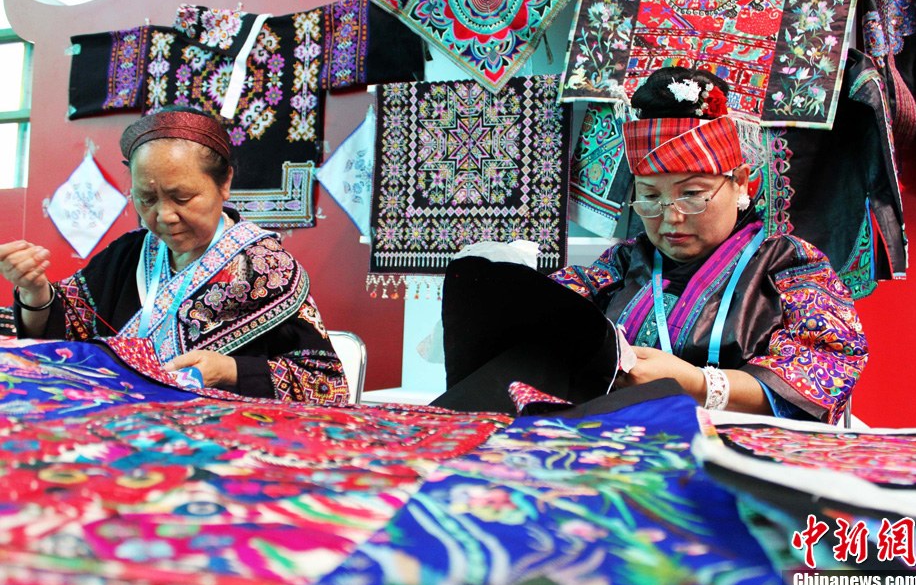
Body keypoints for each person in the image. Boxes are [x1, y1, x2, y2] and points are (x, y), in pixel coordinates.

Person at [435, 67, 867, 424]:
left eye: (692, 194)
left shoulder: (788, 265)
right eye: (650, 197)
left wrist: (697, 384)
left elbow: (827, 368)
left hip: (744, 457)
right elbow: (556, 317)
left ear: (740, 184)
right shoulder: (624, 262)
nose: (671, 217)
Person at [0, 106, 348, 404]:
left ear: (224, 183)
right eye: (147, 199)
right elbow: (61, 340)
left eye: (182, 198)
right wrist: (35, 292)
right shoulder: (128, 254)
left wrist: (230, 370)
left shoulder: (267, 270)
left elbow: (326, 386)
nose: (164, 216)